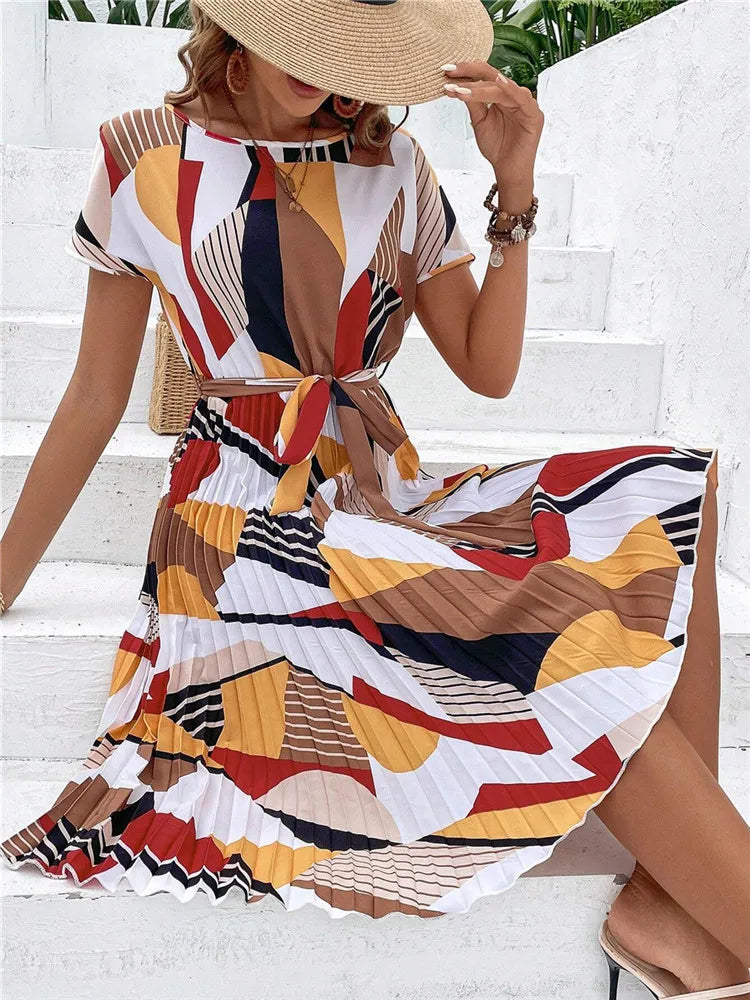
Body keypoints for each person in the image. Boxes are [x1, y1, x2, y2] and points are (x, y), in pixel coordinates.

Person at [0, 1, 748, 996]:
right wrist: (5, 577)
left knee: (668, 494)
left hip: (377, 488)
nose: (326, 69)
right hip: (240, 515)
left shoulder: (392, 163)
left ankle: (670, 893)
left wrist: (515, 187)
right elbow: (95, 396)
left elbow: (488, 367)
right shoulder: (143, 153)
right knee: (569, 663)